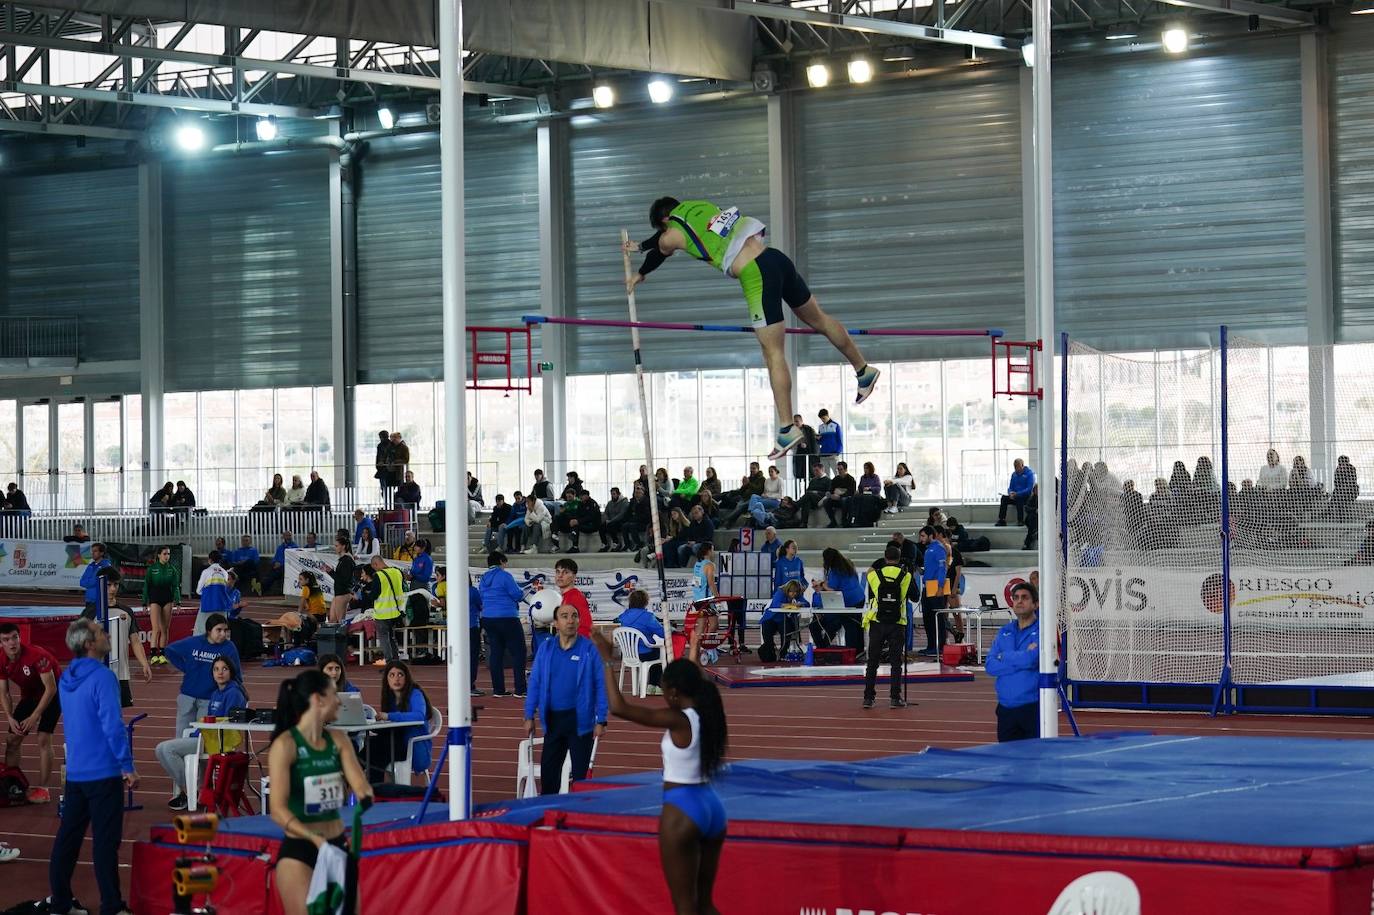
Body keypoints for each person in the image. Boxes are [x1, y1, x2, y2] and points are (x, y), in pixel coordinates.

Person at [626, 197, 879, 461]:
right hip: (775, 258)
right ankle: (864, 370)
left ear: (664, 221)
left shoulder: (672, 233)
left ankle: (787, 427)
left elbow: (661, 247)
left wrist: (641, 268)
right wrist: (642, 247)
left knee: (772, 353)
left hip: (755, 272)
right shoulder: (702, 207)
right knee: (820, 320)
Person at [591, 625, 728, 915]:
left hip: (682, 809)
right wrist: (693, 647)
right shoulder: (707, 709)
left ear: (675, 693)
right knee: (706, 905)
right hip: (712, 807)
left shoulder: (678, 719)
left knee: (684, 908)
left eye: (665, 692)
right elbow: (693, 676)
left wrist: (607, 659)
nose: (663, 697)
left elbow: (618, 707)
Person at [48, 618, 138, 915]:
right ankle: (112, 906)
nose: (107, 634)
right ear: (89, 644)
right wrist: (127, 765)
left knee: (67, 841)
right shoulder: (102, 677)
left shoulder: (66, 677)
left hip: (76, 773)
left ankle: (60, 903)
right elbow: (112, 726)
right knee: (105, 843)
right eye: (101, 632)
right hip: (103, 772)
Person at [267, 670, 374, 915]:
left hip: (337, 846)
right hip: (300, 850)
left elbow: (359, 784)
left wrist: (365, 794)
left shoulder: (339, 740)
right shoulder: (285, 745)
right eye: (335, 694)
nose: (339, 701)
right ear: (318, 699)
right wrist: (315, 839)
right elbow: (277, 810)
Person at [523, 604, 608, 794]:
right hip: (553, 721)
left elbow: (600, 685)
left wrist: (601, 719)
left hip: (581, 722)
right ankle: (549, 813)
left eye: (574, 616)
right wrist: (528, 715)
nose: (570, 620)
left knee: (580, 780)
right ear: (556, 623)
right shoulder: (546, 649)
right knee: (549, 777)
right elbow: (535, 682)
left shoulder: (588, 649)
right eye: (564, 616)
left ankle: (579, 815)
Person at [154, 655, 248, 810]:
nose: (220, 673)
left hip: (218, 740)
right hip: (205, 737)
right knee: (160, 749)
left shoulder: (234, 693)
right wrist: (199, 729)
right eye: (216, 669)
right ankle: (195, 789)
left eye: (224, 669)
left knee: (167, 749)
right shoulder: (215, 694)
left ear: (231, 672)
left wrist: (205, 728)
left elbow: (231, 722)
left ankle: (195, 790)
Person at [0, 621, 61, 802]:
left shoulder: (37, 655)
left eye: (14, 638)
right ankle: (12, 783)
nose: (12, 643)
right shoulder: (1, 660)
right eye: (6, 639)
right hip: (30, 696)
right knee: (12, 739)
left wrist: (34, 716)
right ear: (1, 643)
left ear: (19, 638)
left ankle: (44, 789)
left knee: (43, 737)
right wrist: (9, 718)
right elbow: (4, 693)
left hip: (54, 694)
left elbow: (51, 689)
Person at [165, 614, 243, 747]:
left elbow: (236, 675)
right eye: (219, 630)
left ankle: (202, 768)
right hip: (187, 697)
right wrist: (186, 668)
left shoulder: (229, 648)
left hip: (209, 699)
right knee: (181, 738)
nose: (223, 634)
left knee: (203, 741)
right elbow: (169, 650)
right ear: (209, 631)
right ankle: (183, 768)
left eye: (225, 630)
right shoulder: (193, 642)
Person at [986, 581, 1041, 742]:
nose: (1019, 601)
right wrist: (1022, 657)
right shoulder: (1005, 631)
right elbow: (990, 666)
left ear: (1035, 604)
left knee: (1034, 760)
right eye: (1016, 598)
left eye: (1025, 598)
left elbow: (1032, 659)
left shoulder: (1042, 631)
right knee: (1007, 762)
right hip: (1005, 709)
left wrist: (1004, 656)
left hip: (1032, 708)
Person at [862, 543, 914, 710]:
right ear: (899, 559)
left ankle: (868, 698)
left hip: (877, 622)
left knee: (872, 662)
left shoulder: (874, 575)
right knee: (896, 662)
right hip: (897, 623)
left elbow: (870, 596)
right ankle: (895, 698)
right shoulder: (906, 576)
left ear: (885, 558)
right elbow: (915, 596)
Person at [370, 661, 433, 783]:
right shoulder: (390, 698)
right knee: (371, 746)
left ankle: (376, 789)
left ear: (407, 677)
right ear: (386, 680)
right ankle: (375, 788)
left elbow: (419, 716)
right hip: (395, 743)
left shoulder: (415, 694)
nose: (396, 679)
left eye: (400, 674)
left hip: (413, 747)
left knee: (375, 753)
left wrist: (389, 716)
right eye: (392, 675)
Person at [101, 569, 153, 708]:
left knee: (116, 717)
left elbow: (135, 641)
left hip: (120, 674)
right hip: (97, 675)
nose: (112, 589)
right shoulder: (90, 613)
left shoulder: (126, 612)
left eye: (116, 585)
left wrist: (144, 664)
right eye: (108, 585)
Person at [479, 552, 527, 697]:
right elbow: (517, 595)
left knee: (496, 653)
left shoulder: (483, 578)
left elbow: (482, 596)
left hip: (488, 618)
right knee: (519, 652)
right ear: (501, 561)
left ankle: (498, 690)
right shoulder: (505, 576)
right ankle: (520, 689)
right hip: (507, 617)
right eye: (505, 563)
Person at [809, 548, 866, 658]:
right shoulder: (848, 564)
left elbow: (833, 590)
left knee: (849, 625)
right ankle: (859, 651)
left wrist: (823, 584)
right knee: (857, 624)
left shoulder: (835, 571)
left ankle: (851, 652)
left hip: (848, 600)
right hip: (859, 597)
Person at [616, 589, 666, 689]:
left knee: (655, 651)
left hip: (626, 654)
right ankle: (654, 685)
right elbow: (663, 634)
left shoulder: (623, 617)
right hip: (644, 654)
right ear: (645, 602)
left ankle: (647, 686)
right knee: (660, 653)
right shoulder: (647, 617)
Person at [142, 544, 181, 666]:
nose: (167, 556)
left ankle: (163, 654)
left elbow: (175, 587)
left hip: (167, 599)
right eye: (164, 554)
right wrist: (144, 602)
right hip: (155, 599)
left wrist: (178, 601)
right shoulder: (152, 569)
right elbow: (146, 586)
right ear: (159, 555)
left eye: (168, 554)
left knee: (165, 629)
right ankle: (153, 655)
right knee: (156, 629)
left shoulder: (172, 570)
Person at [367, 555, 405, 665]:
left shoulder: (378, 575)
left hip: (382, 613)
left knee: (384, 638)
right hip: (396, 611)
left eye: (374, 567)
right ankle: (396, 660)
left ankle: (389, 663)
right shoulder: (397, 572)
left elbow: (374, 595)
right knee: (392, 637)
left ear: (375, 564)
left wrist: (368, 595)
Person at [918, 525, 950, 657]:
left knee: (938, 619)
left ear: (931, 536)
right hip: (928, 585)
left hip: (936, 586)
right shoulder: (929, 549)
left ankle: (940, 646)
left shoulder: (938, 548)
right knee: (928, 618)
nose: (921, 539)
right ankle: (931, 645)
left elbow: (943, 568)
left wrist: (941, 587)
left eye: (923, 536)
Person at [760, 580, 805, 659]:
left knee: (787, 629)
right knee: (766, 627)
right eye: (791, 592)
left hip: (785, 620)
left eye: (795, 592)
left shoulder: (797, 595)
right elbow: (776, 604)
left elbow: (806, 603)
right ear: (787, 590)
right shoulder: (780, 592)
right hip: (772, 618)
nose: (793, 594)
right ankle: (770, 651)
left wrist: (801, 603)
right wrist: (789, 605)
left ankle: (783, 652)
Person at [195, 550, 234, 634]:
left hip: (208, 605)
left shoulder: (206, 572)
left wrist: (207, 593)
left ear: (210, 560)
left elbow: (198, 590)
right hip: (222, 604)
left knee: (201, 629)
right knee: (221, 630)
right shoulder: (224, 572)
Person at [554, 557, 593, 638]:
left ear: (574, 577)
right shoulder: (565, 597)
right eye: (558, 572)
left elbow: (585, 628)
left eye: (565, 572)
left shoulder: (575, 597)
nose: (560, 576)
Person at [328, 535, 357, 625]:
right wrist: (330, 572)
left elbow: (344, 580)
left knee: (341, 622)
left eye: (336, 546)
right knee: (332, 620)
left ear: (343, 546)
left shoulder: (347, 560)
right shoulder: (342, 560)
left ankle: (343, 639)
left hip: (343, 593)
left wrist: (331, 572)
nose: (335, 548)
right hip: (339, 593)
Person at [78, 542, 111, 618]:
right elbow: (82, 582)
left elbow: (97, 581)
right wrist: (91, 581)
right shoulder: (91, 565)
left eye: (95, 551)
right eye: (92, 551)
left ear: (102, 553)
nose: (92, 553)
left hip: (99, 601)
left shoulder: (105, 566)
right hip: (89, 600)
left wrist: (89, 582)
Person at [822, 461, 857, 529]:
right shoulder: (835, 479)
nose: (839, 471)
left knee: (844, 500)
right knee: (826, 502)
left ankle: (844, 521)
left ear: (845, 469)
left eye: (841, 469)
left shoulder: (851, 479)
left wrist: (840, 496)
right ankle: (833, 521)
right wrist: (830, 494)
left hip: (846, 499)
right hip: (836, 498)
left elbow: (851, 492)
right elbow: (831, 489)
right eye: (838, 469)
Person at [266, 530, 298, 594]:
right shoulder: (280, 547)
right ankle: (263, 588)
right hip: (277, 566)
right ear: (283, 537)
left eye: (289, 535)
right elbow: (275, 557)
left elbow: (292, 559)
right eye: (286, 535)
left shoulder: (294, 547)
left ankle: (263, 588)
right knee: (270, 571)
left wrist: (280, 564)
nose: (288, 537)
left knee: (275, 574)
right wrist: (274, 563)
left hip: (286, 567)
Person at [816, 409, 843, 475]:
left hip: (833, 454)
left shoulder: (835, 425)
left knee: (837, 474)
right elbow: (820, 442)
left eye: (824, 418)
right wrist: (817, 439)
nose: (822, 420)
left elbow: (840, 439)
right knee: (825, 475)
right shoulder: (820, 427)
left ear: (828, 416)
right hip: (823, 454)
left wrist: (837, 452)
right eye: (821, 419)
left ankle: (838, 486)